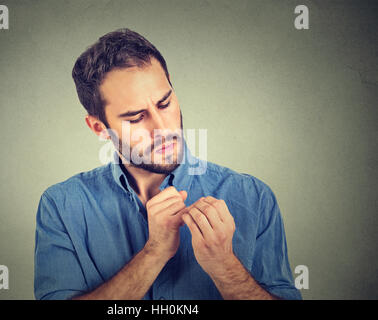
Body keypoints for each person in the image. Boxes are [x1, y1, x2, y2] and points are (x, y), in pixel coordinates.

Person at [34, 28, 302, 300]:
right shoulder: (61, 206)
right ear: (99, 127)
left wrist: (225, 266)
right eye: (136, 117)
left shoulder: (253, 198)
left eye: (165, 102)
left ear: (172, 87)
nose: (162, 128)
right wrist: (154, 252)